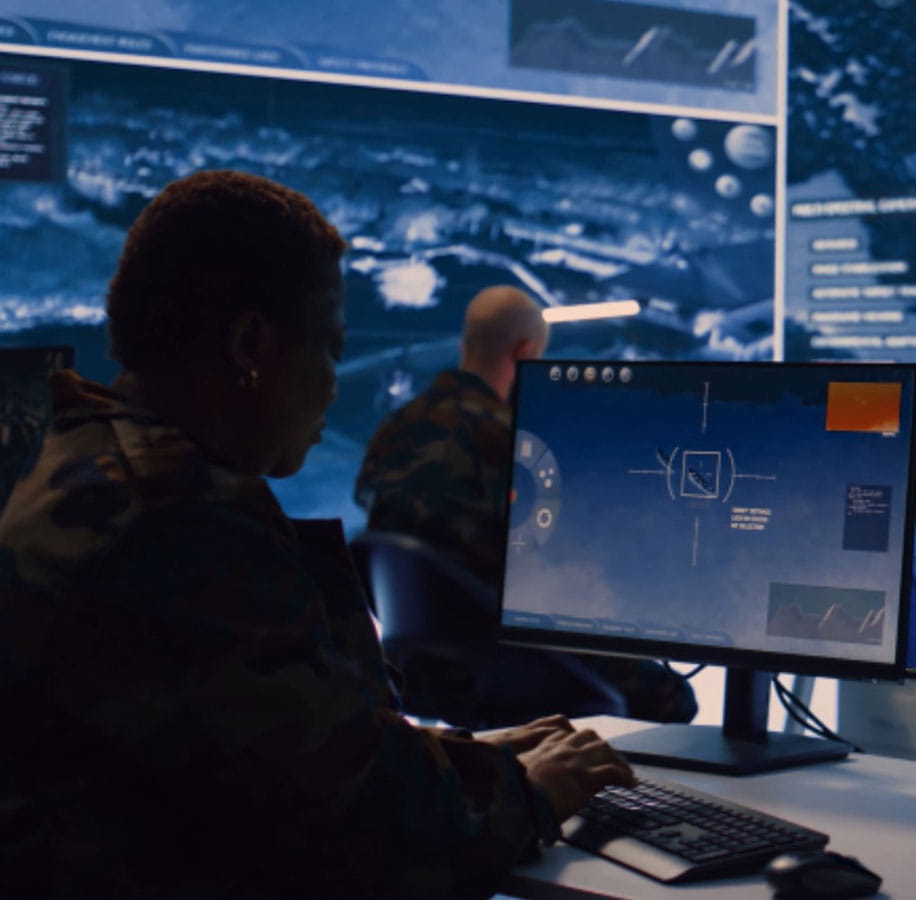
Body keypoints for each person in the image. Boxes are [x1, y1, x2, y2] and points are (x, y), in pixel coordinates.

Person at [0, 170, 634, 897]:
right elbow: (359, 840)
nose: (335, 381)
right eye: (329, 348)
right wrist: (530, 793)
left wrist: (458, 759)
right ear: (250, 345)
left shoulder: (81, 461)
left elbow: (261, 758)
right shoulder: (174, 529)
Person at [355, 285, 697, 724]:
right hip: (507, 659)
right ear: (523, 353)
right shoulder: (516, 442)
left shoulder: (395, 428)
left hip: (418, 668)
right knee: (673, 698)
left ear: (465, 346)